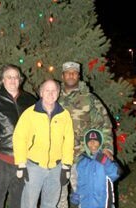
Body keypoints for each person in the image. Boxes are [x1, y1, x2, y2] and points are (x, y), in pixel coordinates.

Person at [58, 61, 114, 208]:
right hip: (58, 157)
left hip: (83, 158)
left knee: (85, 197)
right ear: (62, 75)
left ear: (78, 75)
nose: (71, 75)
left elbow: (105, 123)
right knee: (58, 199)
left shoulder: (90, 98)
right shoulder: (53, 96)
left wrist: (107, 148)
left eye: (74, 72)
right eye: (68, 72)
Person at [13, 79, 74, 208]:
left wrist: (66, 166)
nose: (50, 93)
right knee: (29, 204)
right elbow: (19, 138)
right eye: (47, 90)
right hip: (34, 167)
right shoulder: (30, 113)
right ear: (41, 92)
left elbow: (68, 141)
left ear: (58, 93)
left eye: (54, 91)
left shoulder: (64, 115)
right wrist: (21, 164)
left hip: (56, 168)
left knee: (50, 204)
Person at [0, 64, 36, 208]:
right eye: (9, 77)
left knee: (19, 202)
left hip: (24, 160)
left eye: (16, 77)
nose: (13, 80)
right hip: (0, 160)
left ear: (20, 80)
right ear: (2, 80)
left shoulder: (30, 100)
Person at [70, 129, 120, 208]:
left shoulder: (105, 158)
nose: (92, 142)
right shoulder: (82, 162)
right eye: (90, 141)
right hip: (85, 203)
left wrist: (106, 161)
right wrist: (77, 194)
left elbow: (115, 174)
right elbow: (80, 182)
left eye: (95, 140)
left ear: (100, 142)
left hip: (103, 202)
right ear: (86, 144)